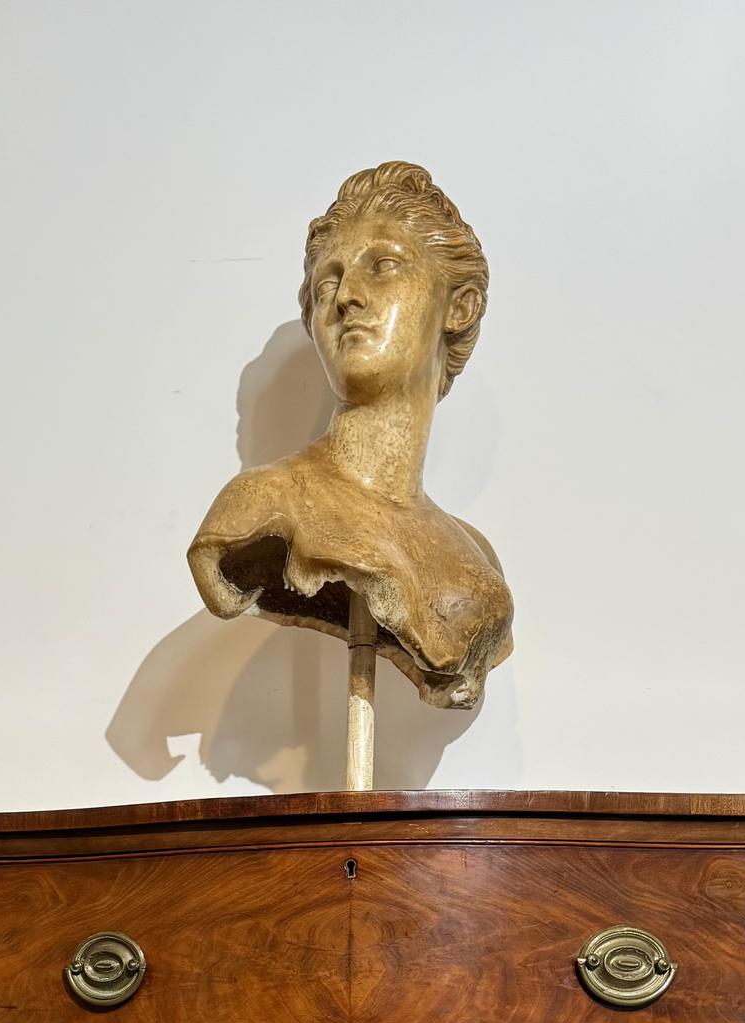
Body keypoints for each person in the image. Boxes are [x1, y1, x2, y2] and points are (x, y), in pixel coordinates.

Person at [189, 162, 513, 712]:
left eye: (384, 265)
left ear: (459, 306)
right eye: (327, 283)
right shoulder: (267, 503)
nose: (347, 297)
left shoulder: (474, 555)